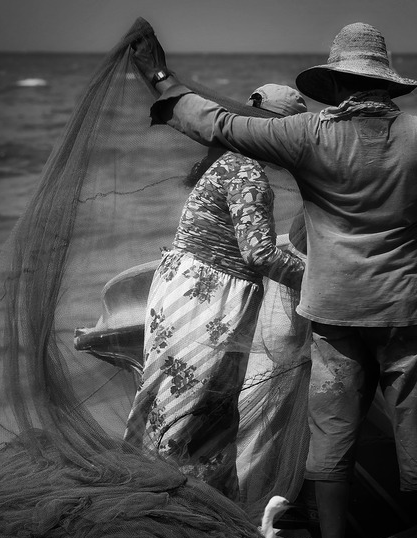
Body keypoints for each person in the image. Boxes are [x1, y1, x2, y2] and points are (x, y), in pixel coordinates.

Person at [129, 20, 417, 538]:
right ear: (389, 85)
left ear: (335, 85)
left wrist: (161, 78)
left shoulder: (307, 136)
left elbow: (219, 125)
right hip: (406, 314)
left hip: (334, 316)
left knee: (331, 443)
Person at [123, 83, 309, 505]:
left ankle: (197, 512)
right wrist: (323, 281)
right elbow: (260, 253)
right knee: (185, 411)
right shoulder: (247, 173)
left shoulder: (224, 159)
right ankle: (151, 509)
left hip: (184, 285)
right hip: (208, 298)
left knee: (190, 410)